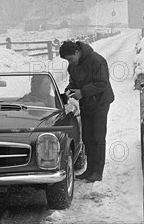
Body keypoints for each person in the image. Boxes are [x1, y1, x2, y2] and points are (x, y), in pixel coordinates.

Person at [59, 41, 114, 182]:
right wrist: (70, 89)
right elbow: (74, 81)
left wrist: (83, 92)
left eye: (70, 59)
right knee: (87, 137)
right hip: (86, 104)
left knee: (98, 137)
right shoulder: (73, 65)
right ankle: (89, 169)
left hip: (100, 103)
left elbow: (102, 83)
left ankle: (98, 172)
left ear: (77, 52)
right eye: (67, 60)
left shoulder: (97, 61)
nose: (69, 62)